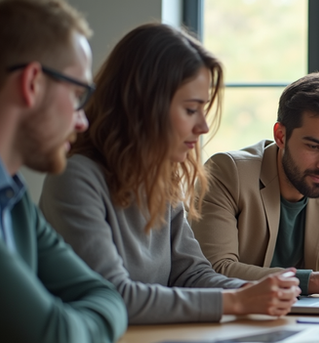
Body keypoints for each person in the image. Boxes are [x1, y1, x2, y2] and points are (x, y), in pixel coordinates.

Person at [39, 23, 300, 325]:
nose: (203, 126)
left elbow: (190, 273)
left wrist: (253, 291)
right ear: (143, 107)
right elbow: (114, 295)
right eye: (191, 110)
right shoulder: (76, 178)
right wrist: (237, 301)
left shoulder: (161, 178)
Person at [0, 0, 126, 343]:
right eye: (77, 95)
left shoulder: (16, 201)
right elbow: (50, 342)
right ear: (32, 83)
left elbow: (106, 297)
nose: (82, 120)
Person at [190, 73, 319, 297]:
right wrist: (315, 281)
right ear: (280, 136)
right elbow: (214, 270)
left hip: (301, 320)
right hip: (237, 319)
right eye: (314, 147)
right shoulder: (227, 172)